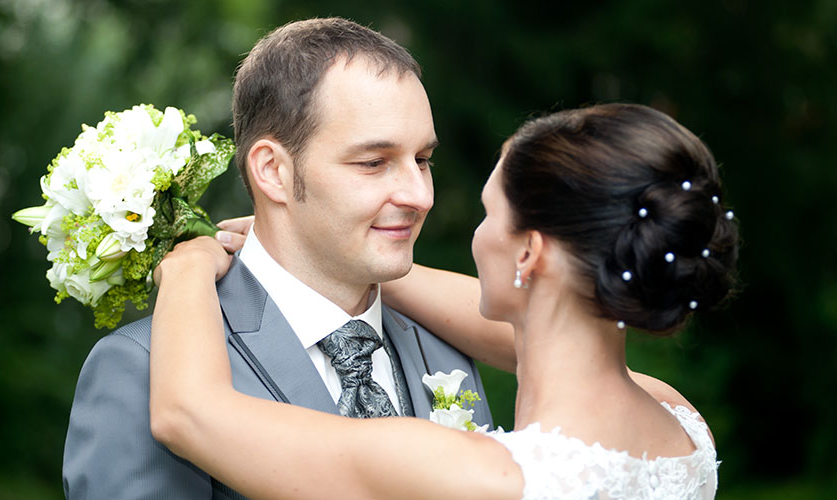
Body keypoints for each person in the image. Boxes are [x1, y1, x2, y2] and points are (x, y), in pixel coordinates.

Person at [149, 103, 739, 499]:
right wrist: (330, 245)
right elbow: (543, 336)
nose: (476, 234)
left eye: (489, 216)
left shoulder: (473, 475)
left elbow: (188, 413)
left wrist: (187, 267)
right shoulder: (680, 426)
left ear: (528, 255)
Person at [62, 18, 493, 499]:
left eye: (423, 160)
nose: (419, 195)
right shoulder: (143, 367)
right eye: (373, 163)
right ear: (273, 171)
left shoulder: (447, 348)